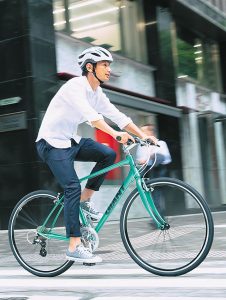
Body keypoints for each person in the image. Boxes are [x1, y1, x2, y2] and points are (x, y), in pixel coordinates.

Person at [36, 46, 158, 264]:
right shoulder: (75, 86)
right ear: (90, 67)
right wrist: (114, 134)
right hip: (51, 143)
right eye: (105, 65)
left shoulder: (97, 93)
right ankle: (74, 245)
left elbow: (117, 115)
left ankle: (85, 200)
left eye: (109, 65)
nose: (109, 69)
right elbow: (93, 118)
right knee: (72, 186)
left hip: (70, 141)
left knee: (108, 154)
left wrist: (143, 135)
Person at [136, 124, 172, 216]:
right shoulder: (141, 146)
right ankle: (158, 218)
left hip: (159, 173)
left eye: (144, 131)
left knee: (157, 198)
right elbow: (140, 160)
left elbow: (166, 158)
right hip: (148, 174)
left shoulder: (161, 143)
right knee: (153, 199)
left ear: (151, 132)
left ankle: (159, 219)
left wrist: (150, 156)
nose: (142, 133)